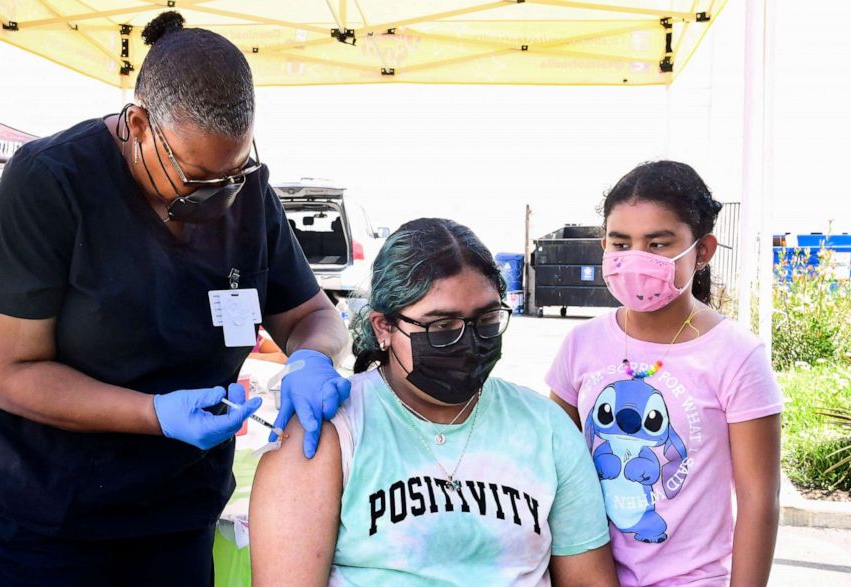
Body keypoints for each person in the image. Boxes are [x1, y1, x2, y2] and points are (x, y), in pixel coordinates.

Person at [0, 11, 350, 586]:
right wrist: (154, 415)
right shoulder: (47, 185)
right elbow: (6, 369)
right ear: (138, 124)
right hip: (50, 523)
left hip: (178, 516)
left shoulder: (240, 191)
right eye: (195, 180)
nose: (218, 199)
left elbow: (313, 314)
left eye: (235, 173)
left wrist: (313, 356)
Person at [250, 218, 618, 586]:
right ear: (383, 327)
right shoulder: (326, 431)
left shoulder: (546, 427)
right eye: (442, 327)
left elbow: (589, 579)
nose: (470, 342)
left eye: (488, 320)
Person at [546, 161, 783, 586]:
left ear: (703, 251)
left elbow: (758, 499)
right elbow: (556, 472)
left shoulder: (737, 356)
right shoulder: (580, 345)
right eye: (621, 243)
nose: (635, 258)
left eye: (657, 243)